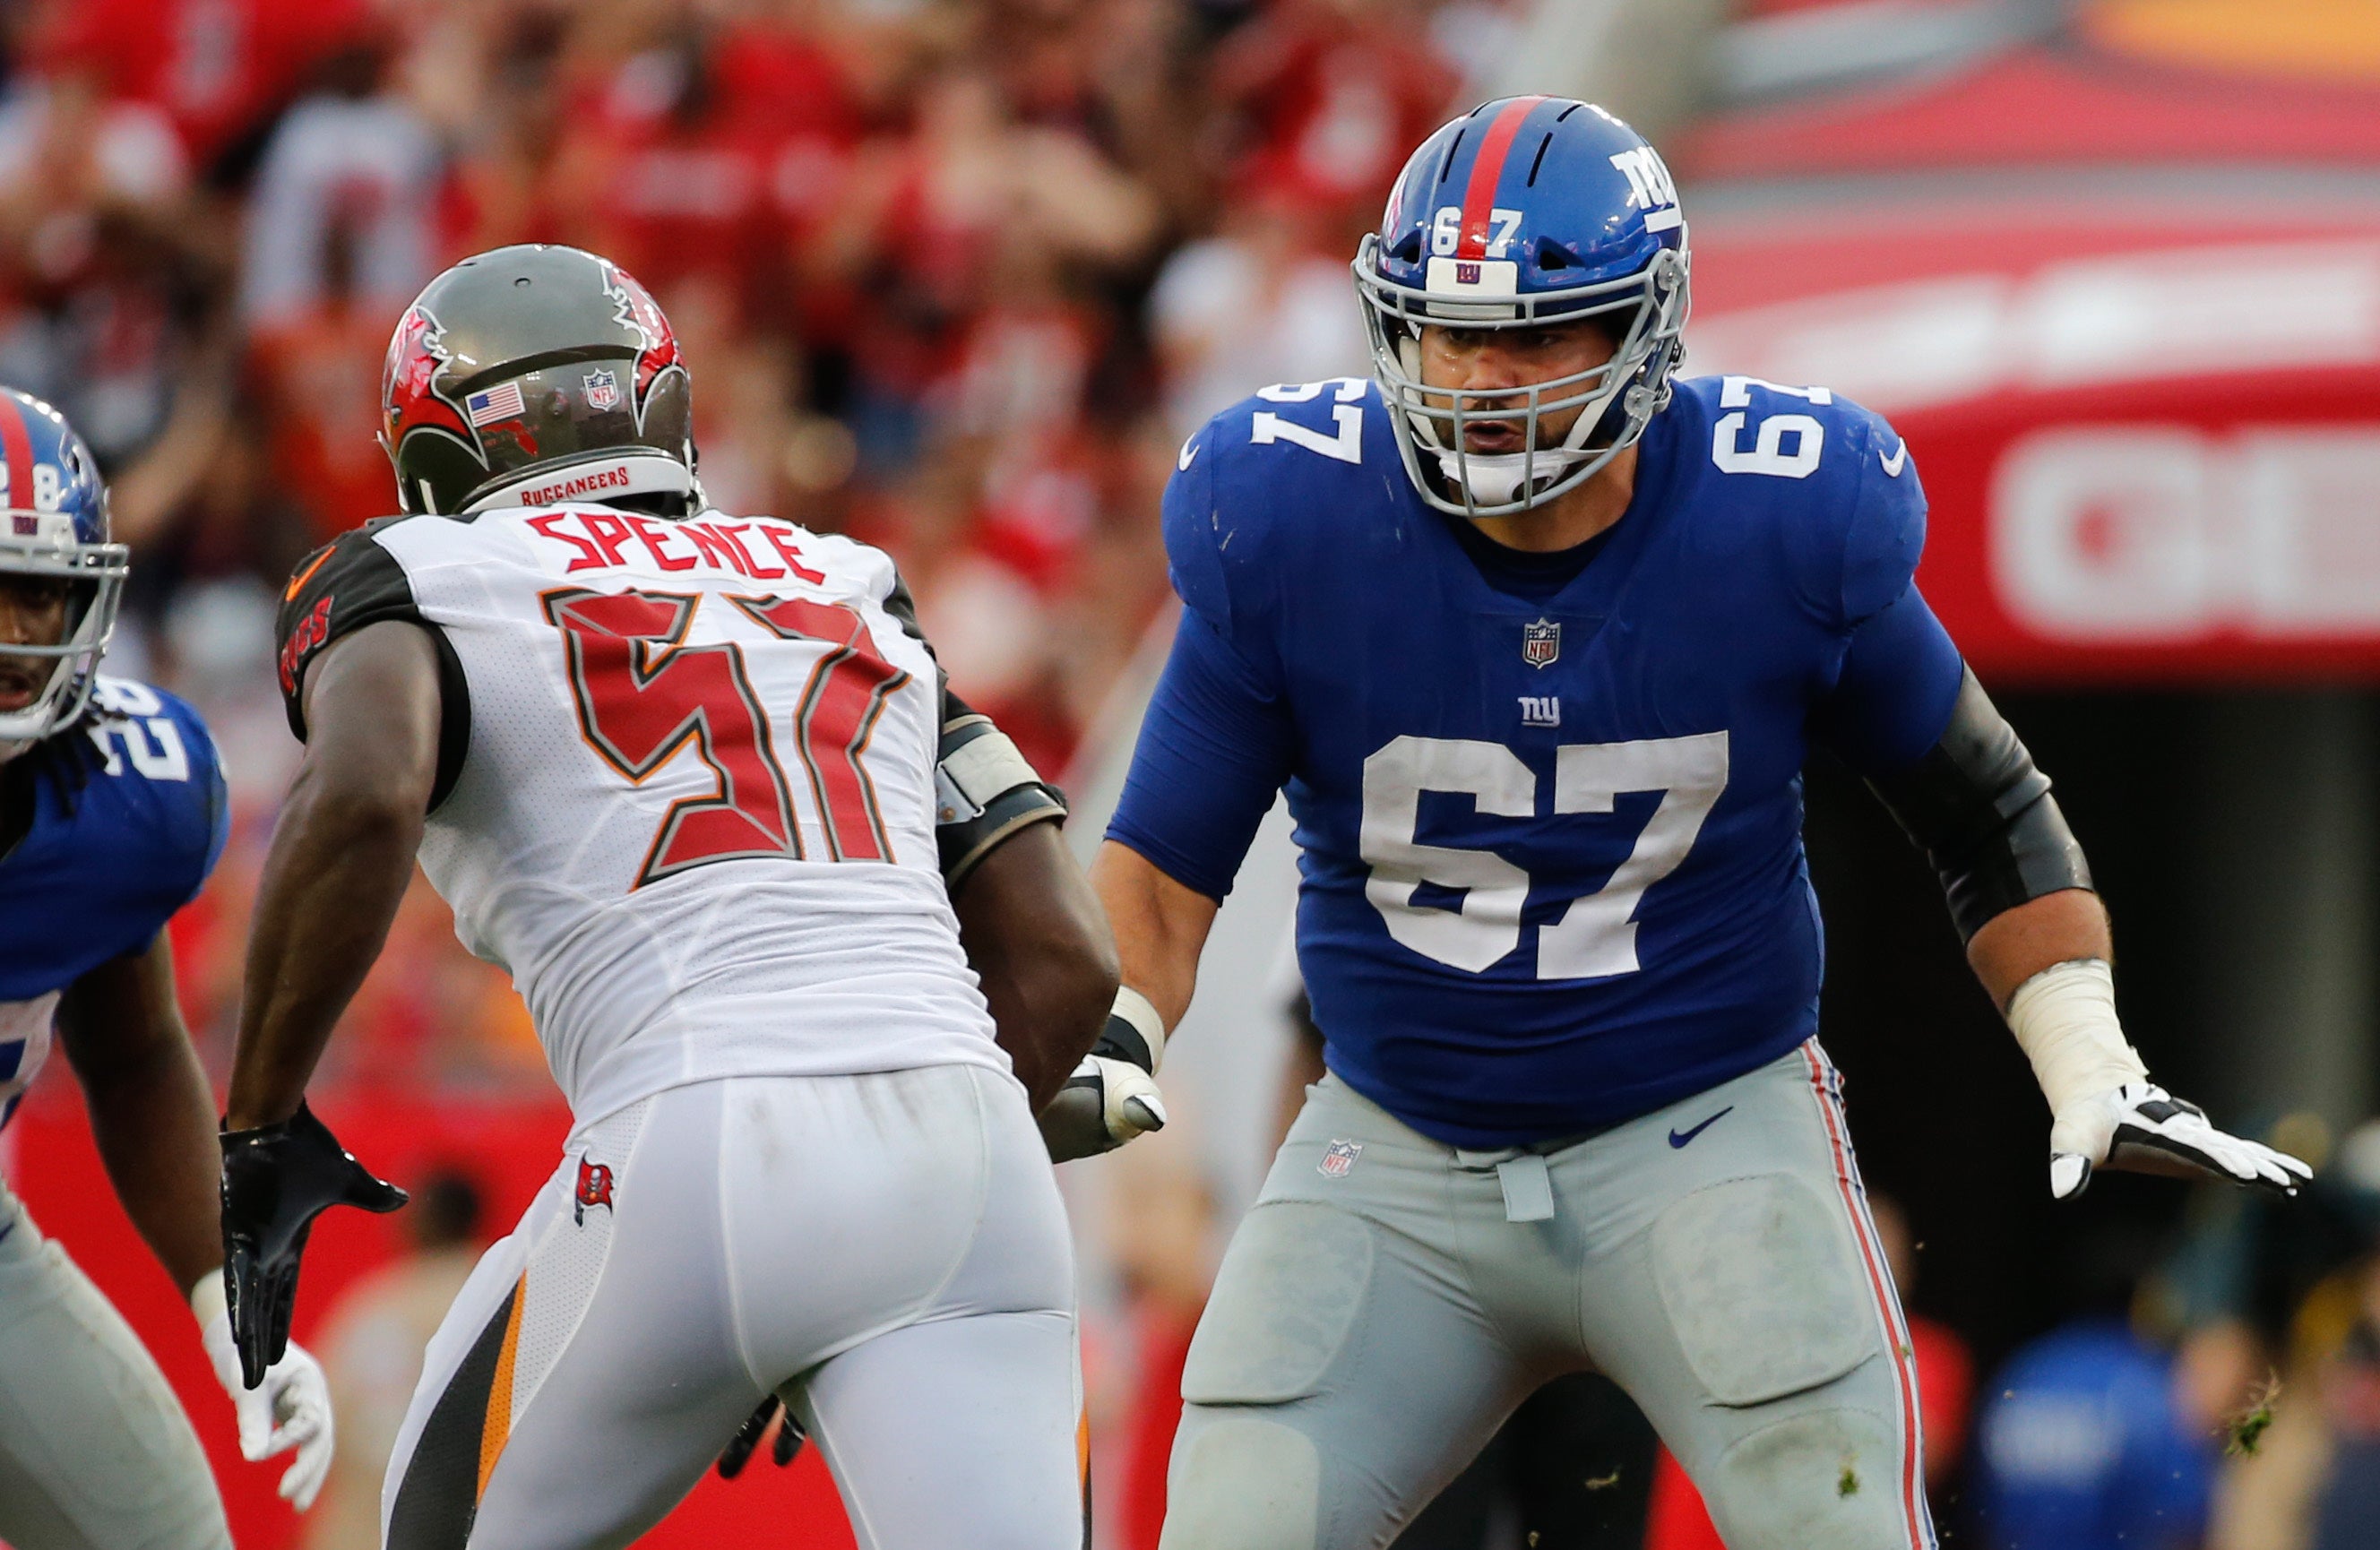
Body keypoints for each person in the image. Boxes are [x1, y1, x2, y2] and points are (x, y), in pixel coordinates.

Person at [1083, 97, 2312, 1550]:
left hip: (1711, 1136)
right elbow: (1167, 855)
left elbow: (1984, 809)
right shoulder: (1285, 512)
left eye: (1539, 334)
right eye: (1449, 332)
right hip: (1394, 1157)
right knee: (1231, 1524)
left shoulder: (1775, 518)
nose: (1482, 378)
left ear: (1645, 331)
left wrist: (2085, 1050)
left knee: (1841, 1524)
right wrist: (1115, 1032)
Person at [213, 244, 1121, 1550]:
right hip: (972, 1153)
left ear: (430, 458)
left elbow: (362, 794)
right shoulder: (846, 584)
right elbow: (1065, 956)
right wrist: (890, 1200)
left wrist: (260, 1120)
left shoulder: (416, 569)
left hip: (698, 1131)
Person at [0, 386, 338, 1547]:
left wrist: (222, 1289)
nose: (7, 632)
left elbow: (135, 1048)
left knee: (168, 1532)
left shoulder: (125, 802)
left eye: (31, 592)